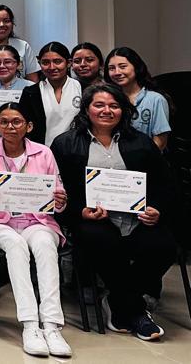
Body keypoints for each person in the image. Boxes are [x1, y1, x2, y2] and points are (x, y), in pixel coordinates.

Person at [51, 83, 176, 341]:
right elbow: (58, 191)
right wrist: (80, 211)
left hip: (136, 219)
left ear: (123, 110)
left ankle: (117, 301)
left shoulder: (141, 142)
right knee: (102, 241)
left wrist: (156, 208)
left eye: (114, 106)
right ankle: (136, 311)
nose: (106, 110)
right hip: (92, 221)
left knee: (163, 247)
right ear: (87, 109)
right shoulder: (65, 144)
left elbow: (164, 183)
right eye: (99, 105)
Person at [0, 102, 72, 357]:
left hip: (35, 220)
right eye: (4, 122)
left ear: (29, 126)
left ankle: (51, 325)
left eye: (16, 122)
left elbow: (58, 194)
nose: (10, 127)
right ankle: (30, 325)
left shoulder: (43, 153)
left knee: (45, 245)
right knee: (15, 245)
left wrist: (60, 201)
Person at [104, 47, 171, 151]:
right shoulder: (107, 98)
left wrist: (141, 159)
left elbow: (160, 142)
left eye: (123, 67)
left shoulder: (155, 99)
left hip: (145, 159)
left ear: (136, 67)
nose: (117, 72)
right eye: (112, 68)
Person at [19, 42, 81, 148]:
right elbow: (24, 127)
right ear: (39, 64)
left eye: (57, 61)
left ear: (69, 63)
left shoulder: (82, 88)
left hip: (76, 150)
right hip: (41, 151)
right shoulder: (31, 93)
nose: (52, 67)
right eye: (45, 62)